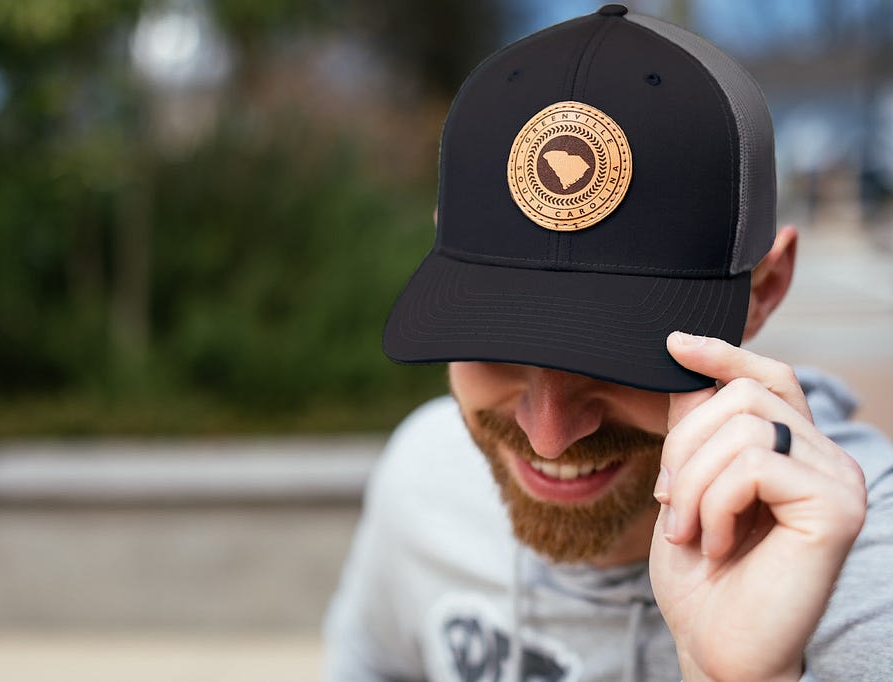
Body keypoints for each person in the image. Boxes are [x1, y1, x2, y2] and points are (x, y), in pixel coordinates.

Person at [323, 5, 893, 682]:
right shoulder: (426, 475)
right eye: (494, 339)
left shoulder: (869, 585)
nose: (549, 437)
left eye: (622, 352)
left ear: (764, 289)